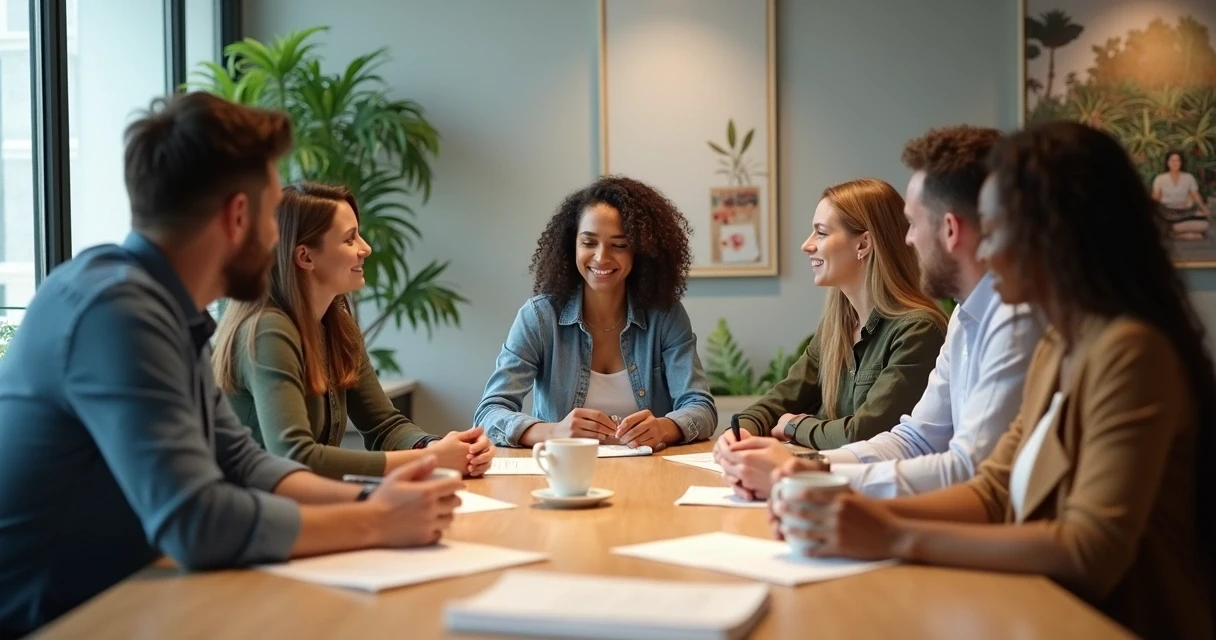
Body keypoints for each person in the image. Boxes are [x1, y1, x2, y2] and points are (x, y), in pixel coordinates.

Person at [0, 93, 462, 637]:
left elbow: (242, 461)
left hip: (132, 598)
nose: (275, 239)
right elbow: (197, 521)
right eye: (271, 216)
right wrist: (376, 520)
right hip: (61, 620)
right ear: (238, 216)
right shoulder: (117, 311)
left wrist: (372, 498)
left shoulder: (164, 307)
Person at [770, 121, 1214, 640]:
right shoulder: (1058, 346)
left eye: (997, 231)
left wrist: (891, 532)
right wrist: (846, 507)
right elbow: (993, 486)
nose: (984, 252)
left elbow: (1089, 551)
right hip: (1036, 608)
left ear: (1051, 237)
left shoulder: (1130, 352)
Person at [716, 126, 1043, 499]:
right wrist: (806, 468)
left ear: (949, 229)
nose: (907, 239)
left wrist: (802, 470)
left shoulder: (1011, 321)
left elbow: (969, 469)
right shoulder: (963, 317)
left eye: (915, 224)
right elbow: (916, 438)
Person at [212, 182, 494, 480]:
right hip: (255, 518)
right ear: (305, 257)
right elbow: (295, 456)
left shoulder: (337, 324)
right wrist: (428, 459)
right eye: (349, 239)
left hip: (307, 509)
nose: (366, 248)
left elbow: (384, 425)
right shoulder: (268, 331)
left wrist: (437, 446)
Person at [474, 175, 717, 448]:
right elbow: (488, 414)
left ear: (642, 251)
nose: (601, 257)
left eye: (619, 245)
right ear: (572, 246)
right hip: (562, 478)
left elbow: (701, 407)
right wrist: (553, 433)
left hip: (651, 474)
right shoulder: (540, 318)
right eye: (589, 242)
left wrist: (664, 427)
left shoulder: (666, 316)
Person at [716, 178, 946, 451]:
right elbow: (781, 400)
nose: (807, 245)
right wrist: (741, 430)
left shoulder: (918, 330)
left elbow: (865, 434)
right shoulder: (836, 328)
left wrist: (794, 425)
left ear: (863, 245)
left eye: (821, 233)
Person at [1153, 150, 1211, 240]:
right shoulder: (1160, 178)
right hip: (1166, 212)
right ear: (1168, 163)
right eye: (1172, 161)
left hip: (1184, 212)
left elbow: (1195, 194)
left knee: (1204, 226)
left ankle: (1171, 233)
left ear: (1181, 162)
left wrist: (1203, 207)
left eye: (1177, 160)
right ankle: (1178, 233)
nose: (1175, 163)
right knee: (1196, 236)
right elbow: (1156, 197)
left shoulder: (1188, 177)